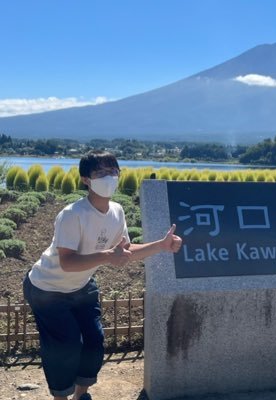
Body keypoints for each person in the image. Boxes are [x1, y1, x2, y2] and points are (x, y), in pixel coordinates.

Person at [23, 150, 182, 400]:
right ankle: (60, 397)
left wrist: (160, 245)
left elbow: (125, 250)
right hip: (47, 288)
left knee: (94, 341)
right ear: (86, 179)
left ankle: (80, 394)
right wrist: (107, 256)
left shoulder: (117, 211)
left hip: (82, 285)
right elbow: (67, 263)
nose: (109, 177)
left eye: (113, 171)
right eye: (100, 172)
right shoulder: (72, 214)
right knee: (64, 346)